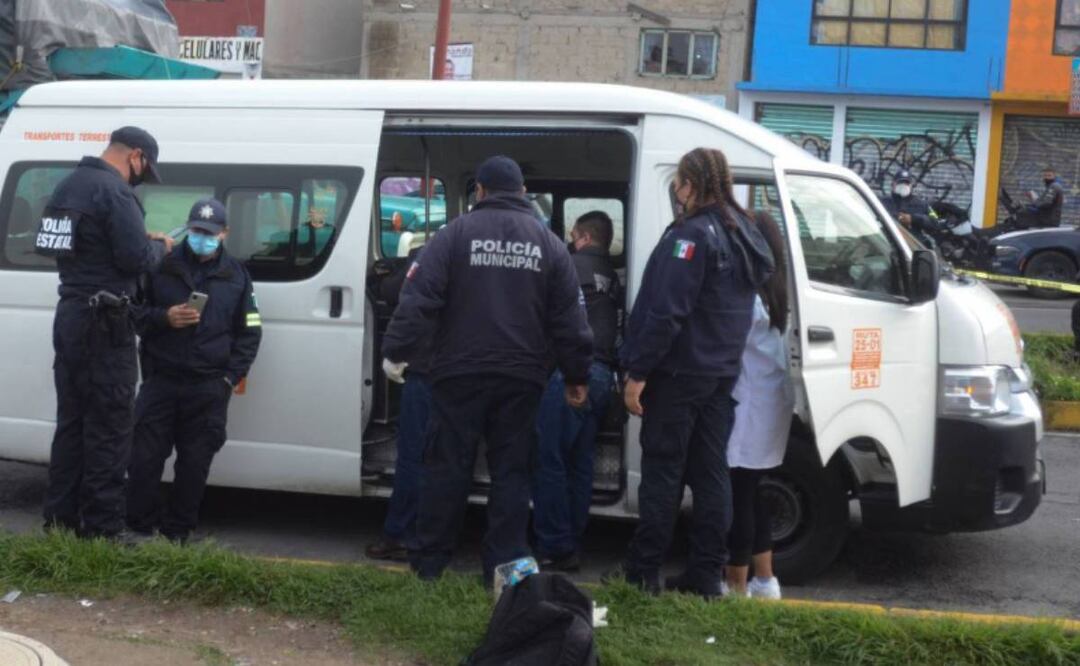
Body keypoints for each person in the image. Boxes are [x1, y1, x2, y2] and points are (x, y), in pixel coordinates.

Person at [380, 155, 593, 583]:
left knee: (446, 469)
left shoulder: (453, 235)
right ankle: (502, 570)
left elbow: (417, 298)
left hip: (457, 374)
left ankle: (429, 567)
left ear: (479, 190)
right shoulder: (550, 244)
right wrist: (577, 375)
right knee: (512, 474)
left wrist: (396, 350)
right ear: (522, 193)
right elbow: (570, 320)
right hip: (522, 379)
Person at [616, 147, 773, 598]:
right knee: (711, 476)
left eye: (679, 183)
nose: (677, 191)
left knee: (663, 472)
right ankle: (706, 575)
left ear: (689, 185)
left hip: (678, 376)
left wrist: (638, 371)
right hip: (721, 376)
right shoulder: (743, 231)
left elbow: (667, 311)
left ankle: (643, 573)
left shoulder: (692, 236)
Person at [40, 126, 173, 541]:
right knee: (111, 427)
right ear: (135, 156)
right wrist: (160, 247)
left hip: (71, 314)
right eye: (143, 170)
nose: (140, 178)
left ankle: (60, 524)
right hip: (106, 322)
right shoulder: (115, 192)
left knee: (72, 423)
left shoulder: (66, 187)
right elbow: (135, 259)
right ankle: (103, 530)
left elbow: (68, 246)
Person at [126, 198, 262, 543]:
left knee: (194, 464)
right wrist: (164, 317)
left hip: (208, 386)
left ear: (224, 233)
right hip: (161, 380)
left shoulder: (236, 275)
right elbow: (133, 314)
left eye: (210, 233)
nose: (203, 238)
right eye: (198, 231)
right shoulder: (161, 266)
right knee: (144, 459)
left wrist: (229, 378)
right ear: (188, 228)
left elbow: (250, 331)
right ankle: (139, 528)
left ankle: (178, 533)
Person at [531, 211, 620, 572]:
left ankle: (555, 545)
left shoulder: (569, 266)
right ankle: (572, 538)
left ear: (583, 237)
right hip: (603, 374)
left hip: (572, 375)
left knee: (549, 458)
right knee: (579, 462)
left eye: (572, 235)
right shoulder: (611, 275)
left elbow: (557, 323)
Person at [725, 210, 794, 600]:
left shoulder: (749, 296)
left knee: (738, 498)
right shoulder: (777, 291)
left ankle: (736, 586)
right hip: (768, 405)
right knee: (752, 492)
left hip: (748, 407)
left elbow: (727, 345)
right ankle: (765, 581)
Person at [366, 245, 433, 562]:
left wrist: (392, 351)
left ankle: (401, 535)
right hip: (472, 370)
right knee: (452, 458)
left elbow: (404, 298)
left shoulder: (435, 251)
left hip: (429, 369)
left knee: (414, 454)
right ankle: (437, 539)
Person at [879, 170, 938, 247]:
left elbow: (935, 222)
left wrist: (913, 219)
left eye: (906, 183)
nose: (903, 185)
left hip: (912, 247)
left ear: (911, 185)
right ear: (893, 184)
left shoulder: (922, 204)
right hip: (886, 245)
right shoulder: (882, 202)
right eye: (900, 182)